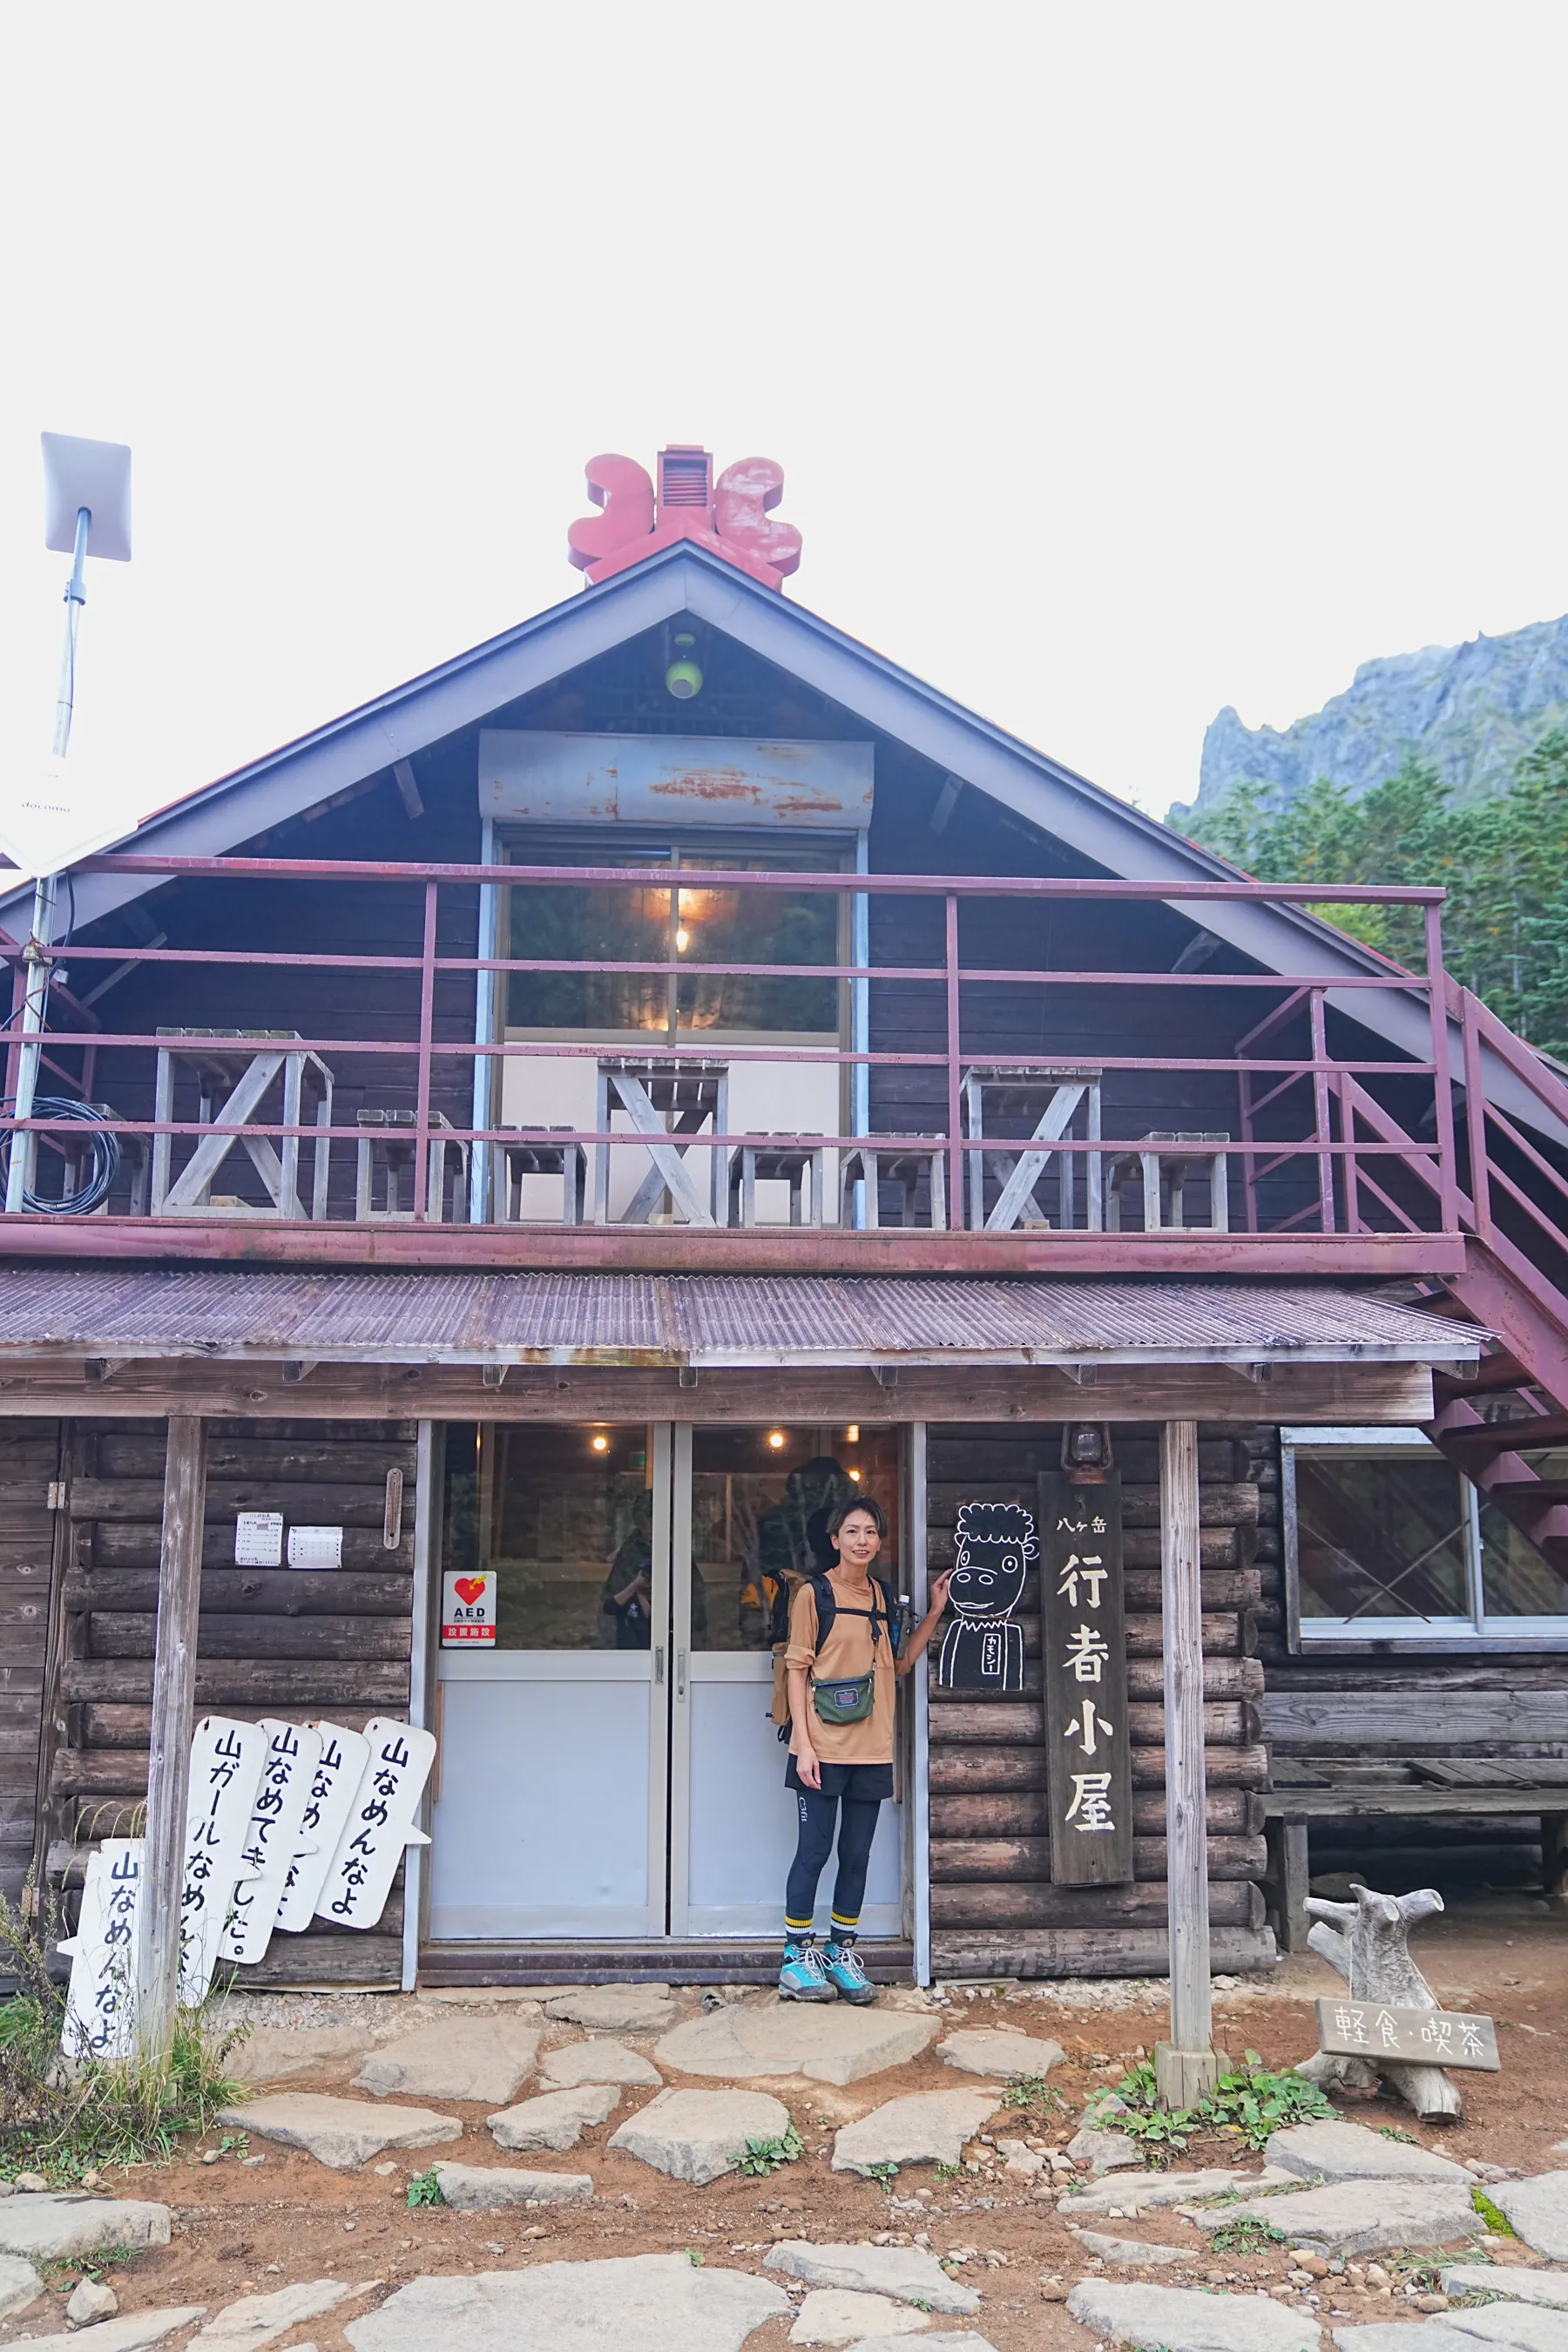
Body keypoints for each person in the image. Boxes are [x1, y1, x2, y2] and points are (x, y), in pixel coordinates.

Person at [780, 1495, 950, 2004]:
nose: (862, 1540)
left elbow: (898, 1666)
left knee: (856, 1855)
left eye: (871, 1532)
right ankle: (795, 1956)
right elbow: (796, 1669)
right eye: (852, 1532)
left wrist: (936, 1611)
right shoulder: (815, 1594)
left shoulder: (882, 1596)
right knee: (814, 1852)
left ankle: (839, 1952)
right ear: (835, 1541)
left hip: (874, 1750)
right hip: (823, 1749)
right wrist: (803, 1747)